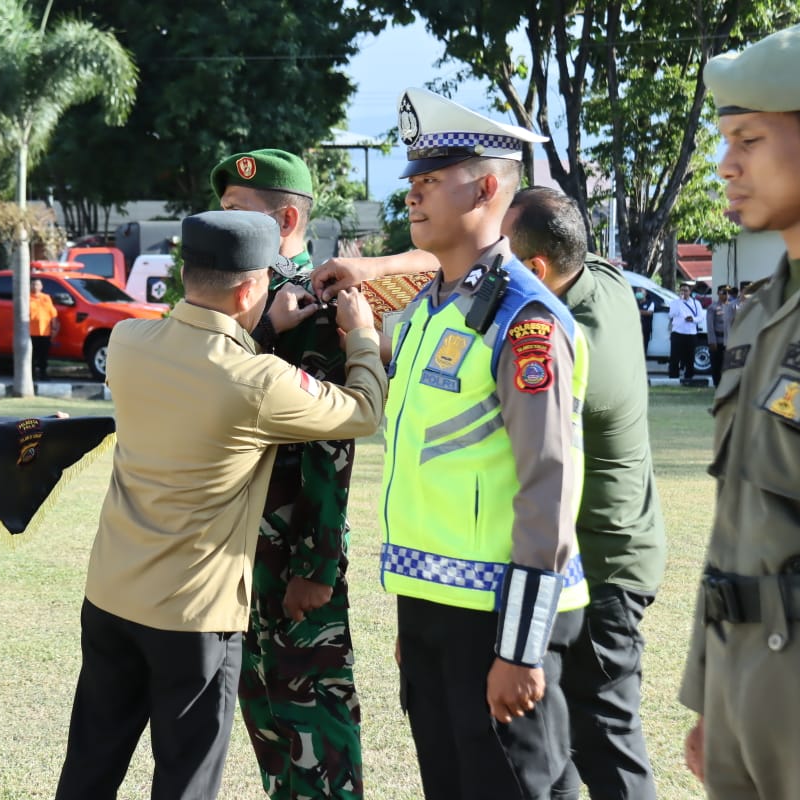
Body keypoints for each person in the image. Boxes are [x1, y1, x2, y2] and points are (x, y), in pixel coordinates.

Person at [54, 210, 386, 800]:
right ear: (252, 287)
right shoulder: (259, 381)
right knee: (185, 778)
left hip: (110, 596)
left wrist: (255, 333)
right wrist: (360, 332)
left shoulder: (129, 343)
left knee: (90, 765)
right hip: (194, 618)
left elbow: (200, 376)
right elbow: (361, 409)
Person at [370, 87, 589, 799]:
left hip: (499, 619)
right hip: (433, 609)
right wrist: (417, 608)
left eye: (432, 181)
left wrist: (520, 648)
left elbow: (547, 486)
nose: (414, 195)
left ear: (488, 186)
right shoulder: (432, 310)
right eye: (413, 181)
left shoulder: (523, 320)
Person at [210, 148, 364, 799]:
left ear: (288, 218)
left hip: (293, 558)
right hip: (236, 557)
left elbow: (333, 448)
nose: (219, 228)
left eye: (237, 215)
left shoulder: (320, 305)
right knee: (269, 729)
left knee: (317, 734)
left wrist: (317, 566)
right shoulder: (239, 306)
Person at [505, 186, 666, 800]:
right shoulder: (601, 281)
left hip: (603, 569)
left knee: (606, 744)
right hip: (609, 557)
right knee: (563, 743)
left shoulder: (569, 350)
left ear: (538, 270)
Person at [680, 23, 800, 799]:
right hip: (746, 678)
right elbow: (736, 517)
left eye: (749, 138)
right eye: (725, 140)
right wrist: (707, 689)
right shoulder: (763, 312)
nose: (726, 164)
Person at [668, 282, 703, 381]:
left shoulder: (696, 303)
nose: (684, 292)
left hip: (691, 333)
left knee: (690, 357)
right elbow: (671, 315)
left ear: (690, 292)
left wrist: (693, 319)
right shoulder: (675, 302)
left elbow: (700, 317)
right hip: (677, 333)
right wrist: (680, 302)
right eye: (682, 290)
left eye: (686, 290)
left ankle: (689, 376)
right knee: (675, 356)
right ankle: (673, 377)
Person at [706, 285, 737, 387]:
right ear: (718, 293)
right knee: (716, 365)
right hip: (717, 341)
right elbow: (710, 326)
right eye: (723, 292)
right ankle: (717, 385)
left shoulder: (733, 307)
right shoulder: (713, 307)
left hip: (729, 341)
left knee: (728, 365)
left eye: (728, 293)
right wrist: (712, 341)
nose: (726, 295)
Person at [30, 277, 59, 380]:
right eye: (33, 284)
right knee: (32, 356)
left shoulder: (46, 298)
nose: (35, 286)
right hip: (31, 333)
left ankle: (43, 374)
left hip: (45, 332)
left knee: (43, 356)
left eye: (37, 284)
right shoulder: (27, 298)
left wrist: (54, 328)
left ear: (41, 286)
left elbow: (53, 314)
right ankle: (31, 375)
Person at [636, 287, 656, 354]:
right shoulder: (633, 302)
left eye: (640, 291)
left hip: (645, 329)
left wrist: (636, 311)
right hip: (635, 329)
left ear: (646, 293)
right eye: (637, 291)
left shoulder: (650, 303)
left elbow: (649, 313)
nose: (638, 292)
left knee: (644, 347)